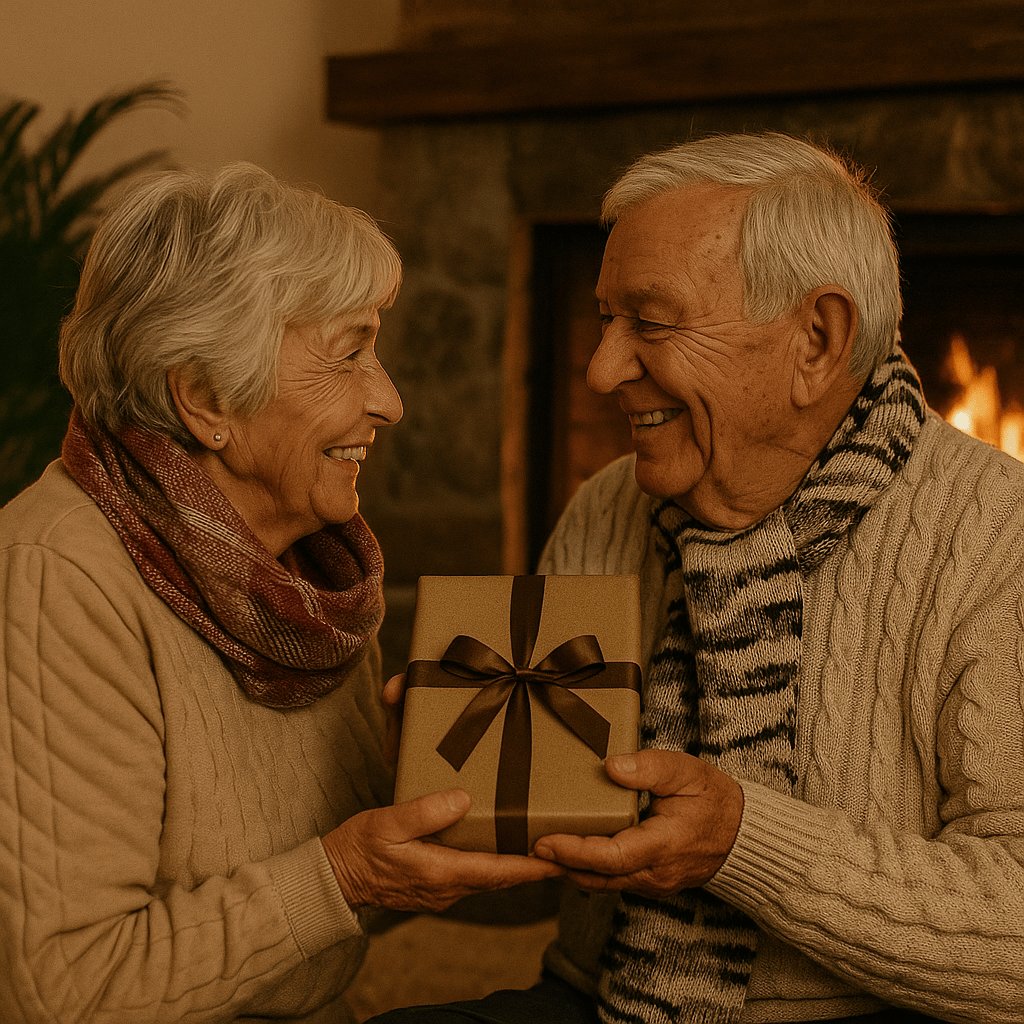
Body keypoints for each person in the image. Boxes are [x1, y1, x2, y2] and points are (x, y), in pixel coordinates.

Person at [370, 133, 1024, 1024]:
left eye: (651, 320)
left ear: (817, 340)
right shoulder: (608, 507)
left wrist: (740, 842)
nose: (602, 369)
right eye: (603, 319)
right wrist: (452, 791)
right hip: (601, 995)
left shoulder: (997, 535)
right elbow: (547, 881)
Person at [0, 163, 562, 1024]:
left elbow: (345, 907)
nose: (391, 400)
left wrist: (461, 797)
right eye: (348, 355)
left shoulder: (315, 579)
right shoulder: (54, 581)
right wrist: (344, 872)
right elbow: (66, 990)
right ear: (206, 397)